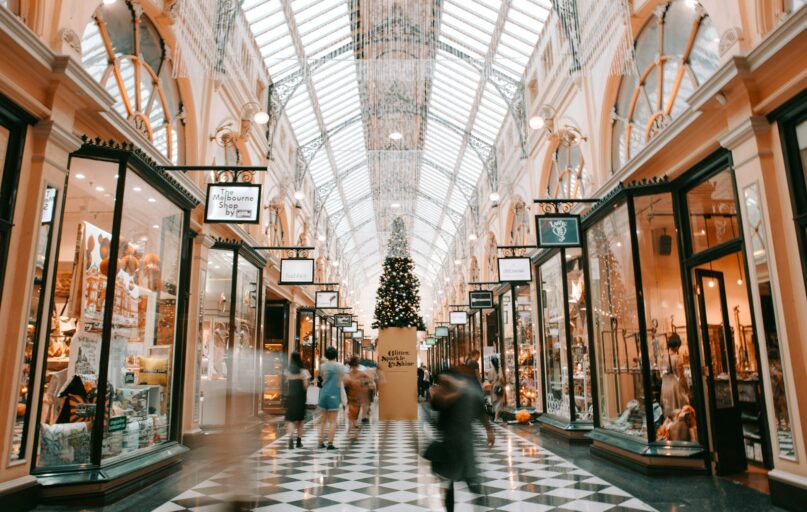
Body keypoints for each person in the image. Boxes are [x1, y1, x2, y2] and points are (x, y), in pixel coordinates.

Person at [428, 367, 495, 512]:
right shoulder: (452, 393)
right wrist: (489, 430)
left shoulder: (462, 393)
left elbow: (480, 412)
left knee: (464, 480)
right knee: (458, 481)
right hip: (453, 443)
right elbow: (436, 404)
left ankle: (479, 504)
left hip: (460, 442)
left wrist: (489, 430)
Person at [318, 346, 344, 450]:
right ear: (336, 355)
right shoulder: (339, 366)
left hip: (323, 394)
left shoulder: (322, 366)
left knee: (323, 420)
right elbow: (342, 378)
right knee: (333, 421)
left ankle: (320, 442)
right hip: (333, 394)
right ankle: (330, 443)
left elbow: (321, 377)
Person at [285, 352, 310, 449]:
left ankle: (290, 440)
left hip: (291, 397)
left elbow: (286, 384)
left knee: (291, 420)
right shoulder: (304, 372)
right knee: (300, 420)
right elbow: (305, 386)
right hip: (300, 398)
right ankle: (298, 442)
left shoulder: (287, 371)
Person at [343, 357, 368, 440]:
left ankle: (352, 428)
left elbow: (367, 381)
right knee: (352, 414)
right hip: (354, 396)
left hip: (354, 396)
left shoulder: (350, 374)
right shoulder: (358, 374)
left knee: (354, 414)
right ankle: (351, 431)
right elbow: (367, 382)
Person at [487, 356, 506, 422]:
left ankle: (496, 417)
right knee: (499, 402)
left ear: (492, 362)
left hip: (494, 387)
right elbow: (502, 379)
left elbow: (489, 381)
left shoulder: (490, 371)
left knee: (495, 402)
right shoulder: (499, 370)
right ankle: (496, 418)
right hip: (500, 386)